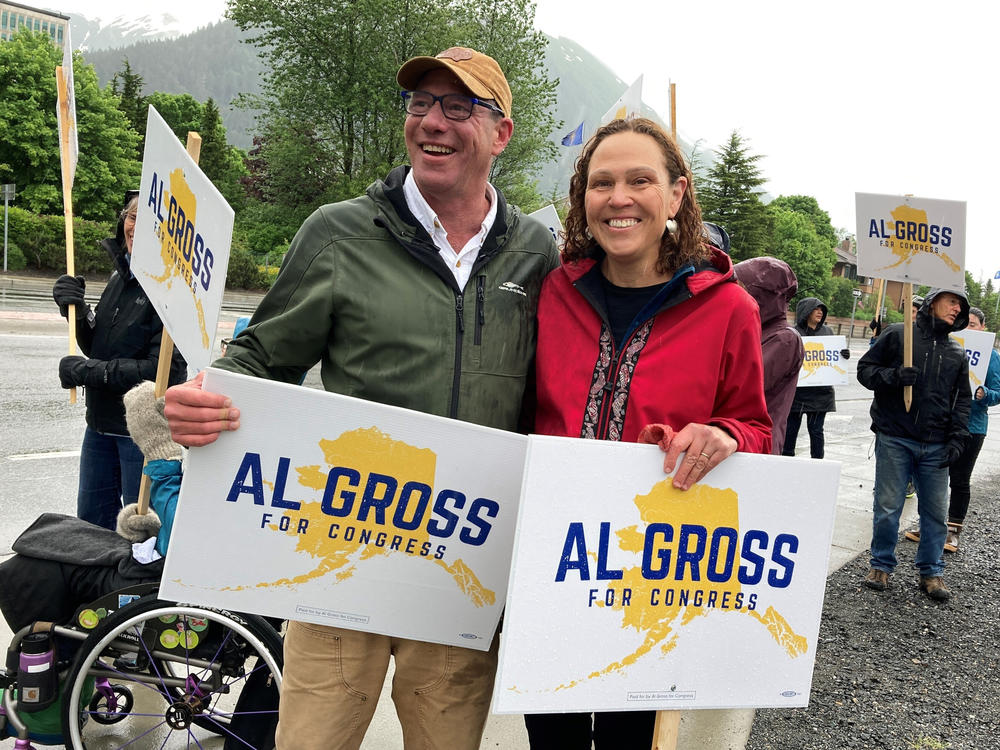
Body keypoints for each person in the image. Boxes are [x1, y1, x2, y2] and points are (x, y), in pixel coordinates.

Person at [162, 47, 560, 750]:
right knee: (313, 740)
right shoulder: (340, 231)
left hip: (463, 562)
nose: (432, 122)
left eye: (458, 107)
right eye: (420, 104)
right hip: (343, 546)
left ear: (501, 133)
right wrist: (205, 395)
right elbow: (262, 356)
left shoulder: (536, 251)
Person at [526, 117, 772, 748]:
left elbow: (757, 427)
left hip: (651, 576)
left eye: (641, 180)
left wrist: (726, 435)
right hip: (551, 563)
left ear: (677, 194)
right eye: (601, 183)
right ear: (583, 199)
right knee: (551, 738)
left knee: (629, 739)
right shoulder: (553, 291)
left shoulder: (728, 306)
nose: (619, 198)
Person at [51, 194, 187, 530]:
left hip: (141, 435)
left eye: (149, 220)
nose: (135, 227)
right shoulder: (120, 277)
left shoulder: (173, 288)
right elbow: (97, 346)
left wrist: (87, 373)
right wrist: (77, 312)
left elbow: (164, 371)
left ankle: (140, 586)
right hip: (99, 427)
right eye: (132, 216)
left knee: (142, 534)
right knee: (92, 527)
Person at [858, 289, 971, 601]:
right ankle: (880, 565)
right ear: (933, 302)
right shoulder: (898, 336)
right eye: (952, 301)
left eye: (960, 305)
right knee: (887, 507)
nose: (957, 308)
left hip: (937, 446)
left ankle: (931, 572)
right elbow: (865, 371)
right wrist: (894, 376)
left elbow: (962, 401)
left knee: (936, 513)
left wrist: (957, 438)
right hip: (895, 437)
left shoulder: (956, 353)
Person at [905, 306, 1000, 551]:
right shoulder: (946, 346)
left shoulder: (992, 357)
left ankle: (953, 531)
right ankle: (927, 526)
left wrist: (984, 393)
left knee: (959, 480)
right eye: (964, 322)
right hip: (940, 424)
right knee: (931, 477)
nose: (968, 327)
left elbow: (997, 392)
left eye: (973, 323)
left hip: (972, 426)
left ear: (983, 327)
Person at [734, 256, 805, 454]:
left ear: (763, 296)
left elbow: (742, 388)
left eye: (742, 289)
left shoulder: (785, 339)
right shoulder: (755, 330)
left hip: (756, 446)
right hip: (737, 441)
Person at [782, 297, 850, 459]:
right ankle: (785, 462)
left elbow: (833, 358)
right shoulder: (793, 333)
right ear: (806, 311)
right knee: (790, 431)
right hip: (797, 394)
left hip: (821, 394)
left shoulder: (828, 332)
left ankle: (818, 464)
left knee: (816, 431)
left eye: (822, 309)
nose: (820, 312)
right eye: (816, 308)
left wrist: (843, 355)